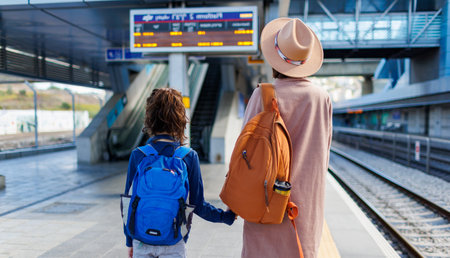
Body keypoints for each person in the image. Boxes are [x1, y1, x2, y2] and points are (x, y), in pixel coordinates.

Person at [240, 18, 332, 258]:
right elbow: (324, 152)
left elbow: (244, 148)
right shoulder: (321, 98)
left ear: (275, 59)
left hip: (264, 200)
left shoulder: (262, 94)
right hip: (304, 208)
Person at [124, 88, 236, 258]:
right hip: (174, 242)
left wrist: (129, 241)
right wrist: (226, 217)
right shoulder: (188, 156)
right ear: (180, 118)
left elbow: (128, 204)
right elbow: (198, 205)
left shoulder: (139, 155)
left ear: (149, 117)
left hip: (142, 240)